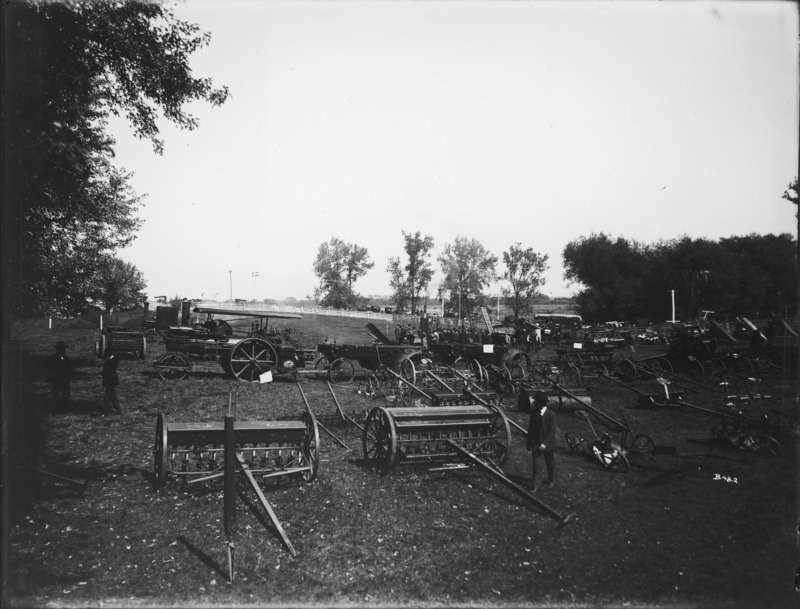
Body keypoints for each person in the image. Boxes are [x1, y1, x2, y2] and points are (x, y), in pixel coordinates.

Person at [526, 391, 557, 490]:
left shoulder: (551, 415)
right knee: (537, 465)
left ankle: (551, 480)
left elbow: (552, 431)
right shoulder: (534, 413)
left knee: (550, 464)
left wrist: (545, 444)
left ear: (541, 403)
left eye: (536, 401)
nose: (534, 403)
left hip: (548, 444)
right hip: (536, 443)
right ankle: (536, 485)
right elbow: (530, 429)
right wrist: (528, 442)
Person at [50, 341, 71, 409]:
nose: (63, 350)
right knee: (55, 394)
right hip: (56, 379)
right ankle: (56, 407)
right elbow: (50, 369)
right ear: (57, 349)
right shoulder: (52, 358)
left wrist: (68, 376)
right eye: (61, 348)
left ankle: (64, 407)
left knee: (65, 394)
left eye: (64, 349)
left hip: (65, 379)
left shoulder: (67, 358)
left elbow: (69, 368)